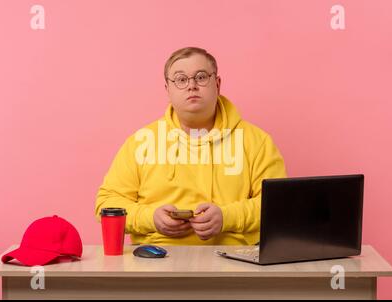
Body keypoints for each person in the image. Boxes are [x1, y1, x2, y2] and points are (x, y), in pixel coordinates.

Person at [95, 47, 287, 245]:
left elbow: (279, 205)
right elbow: (106, 205)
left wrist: (227, 218)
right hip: (156, 262)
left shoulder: (257, 141)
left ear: (218, 84)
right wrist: (150, 218)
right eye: (181, 79)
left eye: (201, 77)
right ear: (167, 90)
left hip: (234, 262)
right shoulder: (140, 142)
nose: (192, 86)